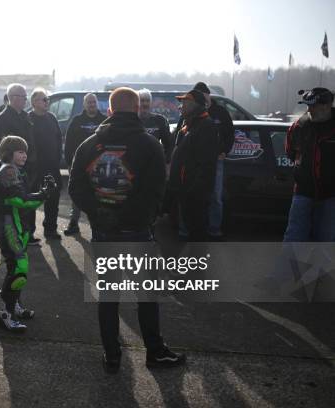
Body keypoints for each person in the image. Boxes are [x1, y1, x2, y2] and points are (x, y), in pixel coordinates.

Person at [69, 87, 186, 373]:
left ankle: (111, 355)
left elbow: (75, 188)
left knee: (108, 297)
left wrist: (99, 215)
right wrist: (136, 219)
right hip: (136, 234)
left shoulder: (88, 145)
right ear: (136, 110)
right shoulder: (149, 145)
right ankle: (154, 353)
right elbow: (156, 192)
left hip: (104, 233)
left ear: (109, 111)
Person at [0, 136, 56, 332]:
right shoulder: (8, 171)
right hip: (8, 226)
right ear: (9, 153)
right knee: (18, 268)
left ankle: (14, 307)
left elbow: (25, 201)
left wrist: (42, 192)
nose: (24, 154)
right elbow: (20, 201)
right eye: (20, 151)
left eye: (25, 151)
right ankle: (6, 314)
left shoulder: (17, 171)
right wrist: (44, 194)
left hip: (18, 225)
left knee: (18, 267)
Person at [283, 88, 335, 242]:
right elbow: (290, 151)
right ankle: (291, 265)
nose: (309, 110)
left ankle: (322, 267)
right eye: (307, 106)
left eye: (313, 106)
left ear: (326, 106)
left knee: (326, 238)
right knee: (294, 235)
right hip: (303, 191)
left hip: (331, 195)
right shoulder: (299, 126)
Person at [170, 90, 219, 242]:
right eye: (182, 103)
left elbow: (207, 165)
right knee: (191, 233)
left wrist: (194, 192)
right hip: (185, 190)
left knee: (198, 235)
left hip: (195, 194)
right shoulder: (189, 125)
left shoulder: (206, 126)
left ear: (196, 105)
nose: (181, 106)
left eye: (185, 103)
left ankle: (198, 263)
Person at [0, 83, 41, 245]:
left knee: (28, 200)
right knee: (16, 203)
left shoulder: (25, 116)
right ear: (13, 98)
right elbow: (4, 147)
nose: (25, 100)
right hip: (14, 168)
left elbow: (32, 140)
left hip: (29, 165)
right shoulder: (4, 118)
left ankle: (29, 233)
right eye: (23, 97)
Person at [192, 82, 234, 239]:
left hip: (217, 160)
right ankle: (196, 227)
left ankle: (214, 228)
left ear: (208, 95)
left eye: (203, 95)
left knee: (216, 197)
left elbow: (230, 133)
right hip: (196, 161)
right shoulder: (193, 112)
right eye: (198, 96)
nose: (202, 98)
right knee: (196, 194)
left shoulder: (221, 112)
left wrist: (225, 151)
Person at [63, 93, 106, 235]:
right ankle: (73, 223)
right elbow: (68, 144)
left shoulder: (104, 120)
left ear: (97, 104)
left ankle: (99, 225)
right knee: (77, 193)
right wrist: (69, 163)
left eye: (93, 102)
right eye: (89, 102)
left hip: (100, 165)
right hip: (79, 166)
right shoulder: (76, 121)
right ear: (84, 104)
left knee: (99, 195)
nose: (91, 105)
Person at [29, 88, 63, 240]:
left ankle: (50, 229)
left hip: (52, 166)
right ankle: (29, 231)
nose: (47, 102)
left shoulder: (52, 118)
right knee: (32, 199)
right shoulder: (28, 118)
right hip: (34, 167)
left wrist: (57, 158)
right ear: (34, 102)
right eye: (44, 99)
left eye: (47, 99)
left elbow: (58, 138)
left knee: (53, 198)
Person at [138, 88, 172, 162]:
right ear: (137, 102)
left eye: (147, 101)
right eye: (142, 101)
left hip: (154, 162)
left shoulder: (160, 120)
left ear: (151, 103)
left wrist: (166, 163)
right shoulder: (131, 120)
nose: (145, 104)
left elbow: (168, 145)